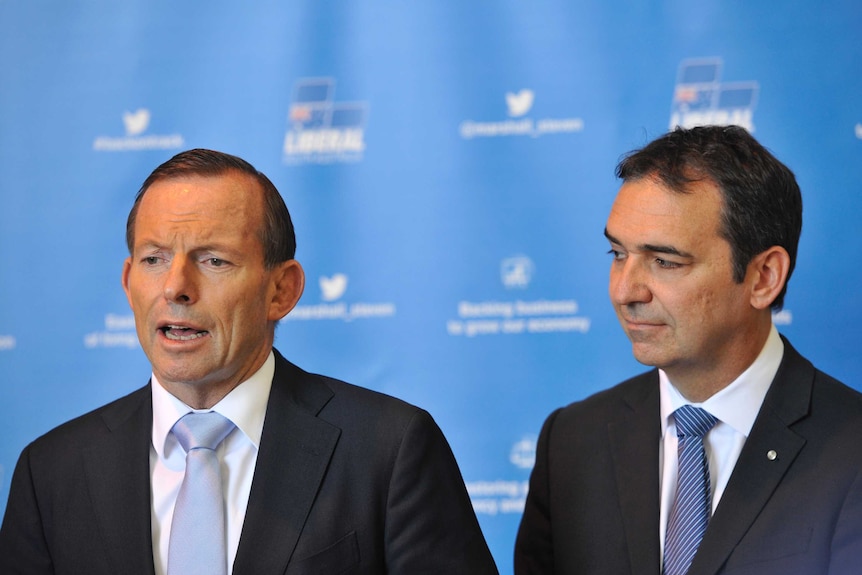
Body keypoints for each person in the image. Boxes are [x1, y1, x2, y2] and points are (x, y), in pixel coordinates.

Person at [0, 149, 498, 574]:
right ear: (128, 280)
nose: (175, 287)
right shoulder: (51, 471)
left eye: (213, 260)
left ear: (282, 290)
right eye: (153, 259)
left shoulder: (389, 450)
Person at [514, 126, 862, 574]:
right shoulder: (573, 441)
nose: (625, 291)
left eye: (665, 262)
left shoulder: (850, 450)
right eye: (618, 254)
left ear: (764, 277)